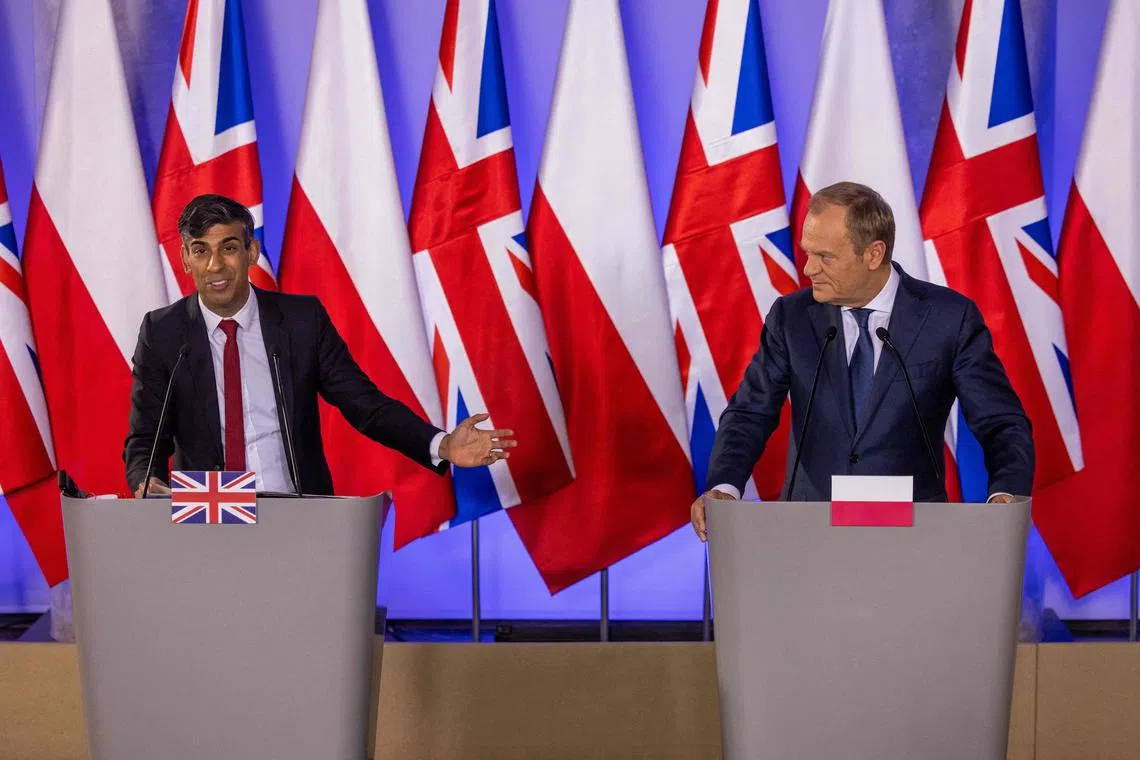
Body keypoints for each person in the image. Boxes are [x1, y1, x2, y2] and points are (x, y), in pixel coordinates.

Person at [691, 181, 1034, 540]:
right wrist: (724, 487)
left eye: (825, 257)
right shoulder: (791, 317)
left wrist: (1005, 495)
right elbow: (750, 413)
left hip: (911, 536)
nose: (808, 269)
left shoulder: (948, 318)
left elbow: (1001, 422)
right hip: (808, 533)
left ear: (873, 254)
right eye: (808, 253)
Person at [124, 194, 514, 496]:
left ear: (251, 253)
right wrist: (146, 482)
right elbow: (146, 438)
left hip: (297, 513)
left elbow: (365, 405)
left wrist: (442, 445)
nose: (215, 266)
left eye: (228, 247)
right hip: (206, 518)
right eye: (201, 251)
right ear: (186, 259)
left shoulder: (300, 321)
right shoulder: (163, 333)